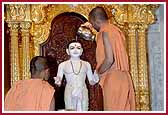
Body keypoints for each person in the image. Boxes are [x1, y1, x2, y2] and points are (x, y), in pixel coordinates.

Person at [81, 6, 135, 111]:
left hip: (113, 79)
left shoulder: (105, 32)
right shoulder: (116, 30)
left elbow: (110, 59)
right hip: (123, 78)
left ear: (95, 20)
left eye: (91, 23)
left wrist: (97, 72)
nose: (92, 26)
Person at [54, 40, 99, 111]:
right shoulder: (63, 65)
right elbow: (59, 81)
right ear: (67, 51)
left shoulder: (86, 64)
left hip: (82, 90)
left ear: (81, 51)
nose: (75, 50)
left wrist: (96, 77)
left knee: (84, 109)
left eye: (78, 48)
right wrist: (58, 81)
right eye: (72, 48)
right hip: (69, 90)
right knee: (70, 110)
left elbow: (91, 81)